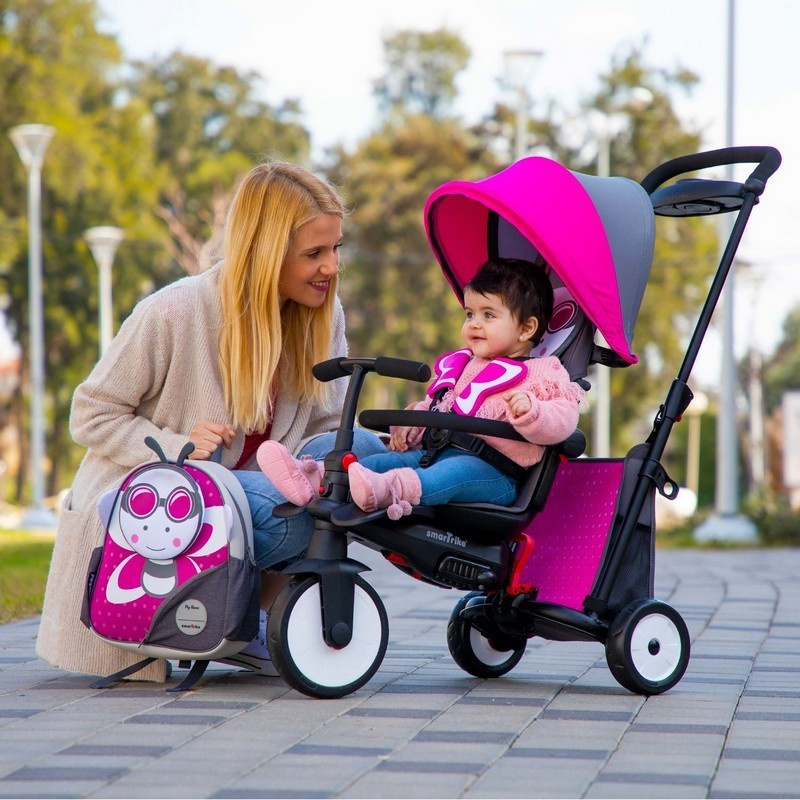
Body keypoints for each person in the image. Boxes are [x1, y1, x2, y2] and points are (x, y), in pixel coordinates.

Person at [36, 160, 385, 682]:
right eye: (314, 254)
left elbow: (328, 426)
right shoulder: (173, 311)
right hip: (161, 501)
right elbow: (92, 413)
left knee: (359, 463)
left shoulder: (322, 316)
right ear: (264, 252)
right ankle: (243, 623)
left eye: (336, 249)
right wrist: (177, 444)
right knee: (296, 514)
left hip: (243, 492)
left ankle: (248, 623)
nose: (331, 267)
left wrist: (392, 444)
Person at [259, 257, 584, 519]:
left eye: (488, 315)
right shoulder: (464, 366)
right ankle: (317, 478)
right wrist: (411, 424)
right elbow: (438, 408)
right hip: (434, 454)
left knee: (450, 473)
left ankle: (388, 491)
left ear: (527, 328)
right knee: (382, 464)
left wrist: (532, 412)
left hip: (494, 474)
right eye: (469, 313)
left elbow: (564, 419)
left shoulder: (542, 372)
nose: (474, 323)